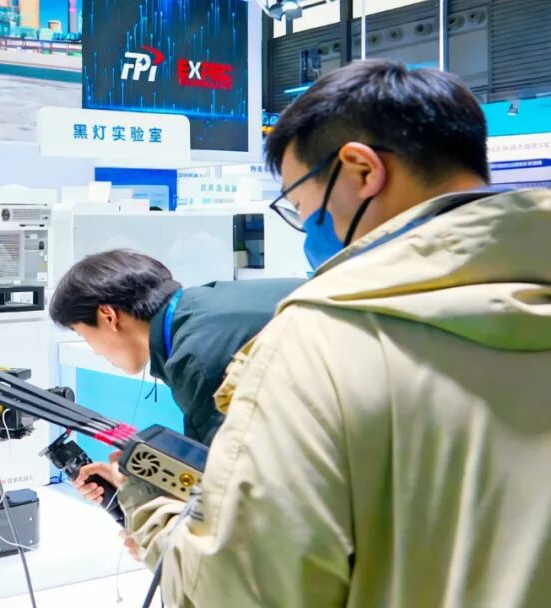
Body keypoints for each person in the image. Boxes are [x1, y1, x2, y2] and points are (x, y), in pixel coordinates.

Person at [83, 59, 551, 606]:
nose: (306, 228)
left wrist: (149, 509)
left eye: (301, 205)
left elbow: (239, 590)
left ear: (361, 171)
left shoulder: (317, 345)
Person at [47, 249, 301, 493]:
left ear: (108, 316)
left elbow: (225, 491)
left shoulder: (196, 359)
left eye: (83, 334)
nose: (94, 351)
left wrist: (137, 493)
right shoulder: (205, 307)